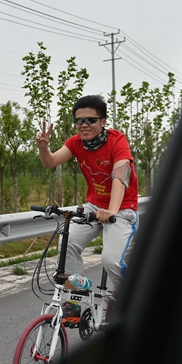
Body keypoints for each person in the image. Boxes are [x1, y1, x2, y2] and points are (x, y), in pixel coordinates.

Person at [35, 94, 138, 293]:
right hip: (94, 206)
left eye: (90, 120)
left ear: (103, 122)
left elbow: (120, 175)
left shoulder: (117, 141)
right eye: (79, 121)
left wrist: (112, 211)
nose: (84, 125)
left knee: (111, 260)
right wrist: (43, 148)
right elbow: (50, 162)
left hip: (122, 208)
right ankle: (75, 296)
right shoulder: (76, 143)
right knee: (67, 243)